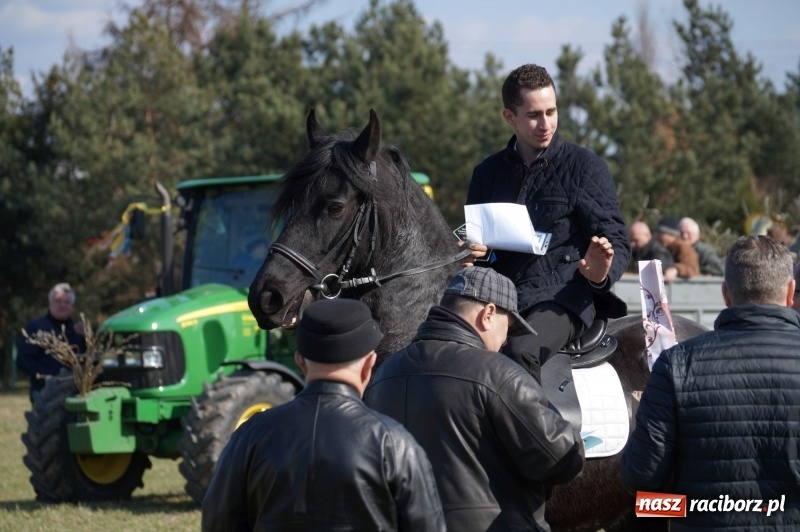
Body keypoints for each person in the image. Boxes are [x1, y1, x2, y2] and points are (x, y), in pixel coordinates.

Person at [365, 267, 584, 532]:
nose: (506, 341)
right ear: (488, 314)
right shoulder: (500, 374)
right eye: (508, 327)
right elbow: (561, 459)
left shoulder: (384, 373)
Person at [201, 298, 445, 532]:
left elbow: (218, 523)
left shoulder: (250, 435)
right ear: (369, 364)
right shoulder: (394, 442)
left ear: (300, 361)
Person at [620, 235, 800, 530]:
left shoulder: (676, 364)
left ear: (726, 293)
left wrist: (688, 509)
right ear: (790, 292)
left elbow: (640, 479)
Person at [464, 63, 630, 381]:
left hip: (565, 299)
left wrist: (600, 275)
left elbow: (617, 240)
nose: (546, 124)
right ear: (509, 116)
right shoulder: (486, 173)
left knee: (519, 352)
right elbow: (481, 250)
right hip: (500, 298)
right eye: (534, 115)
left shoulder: (585, 167)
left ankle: (536, 418)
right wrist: (469, 254)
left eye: (551, 112)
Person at [16, 282, 86, 400]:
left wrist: (87, 339)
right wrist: (50, 376)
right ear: (49, 303)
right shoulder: (36, 328)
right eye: (58, 301)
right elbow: (23, 361)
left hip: (76, 395)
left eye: (67, 302)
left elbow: (89, 361)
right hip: (45, 396)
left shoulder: (79, 331)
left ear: (72, 306)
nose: (62, 305)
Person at [654, 215, 700, 283]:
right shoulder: (662, 248)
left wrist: (676, 270)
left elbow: (692, 269)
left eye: (660, 233)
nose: (657, 236)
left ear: (669, 234)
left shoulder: (683, 247)